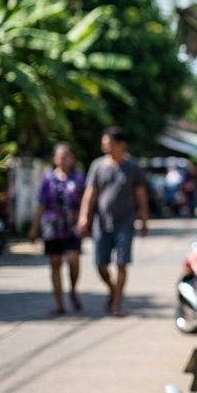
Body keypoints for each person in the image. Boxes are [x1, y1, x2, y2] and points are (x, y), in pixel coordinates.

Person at [77, 127, 149, 317]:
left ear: (120, 144)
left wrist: (144, 219)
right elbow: (90, 192)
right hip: (101, 222)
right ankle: (113, 289)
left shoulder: (133, 168)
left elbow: (141, 195)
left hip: (125, 222)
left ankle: (117, 302)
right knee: (101, 264)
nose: (104, 145)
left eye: (107, 142)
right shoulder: (98, 166)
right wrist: (84, 216)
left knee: (122, 263)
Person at [28, 143, 85, 315]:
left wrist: (85, 219)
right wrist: (34, 228)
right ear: (54, 159)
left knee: (73, 260)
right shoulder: (48, 179)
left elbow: (86, 200)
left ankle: (73, 290)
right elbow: (41, 204)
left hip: (72, 227)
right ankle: (59, 303)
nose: (63, 159)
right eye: (60, 156)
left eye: (66, 155)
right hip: (52, 227)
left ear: (71, 158)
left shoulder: (79, 178)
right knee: (55, 263)